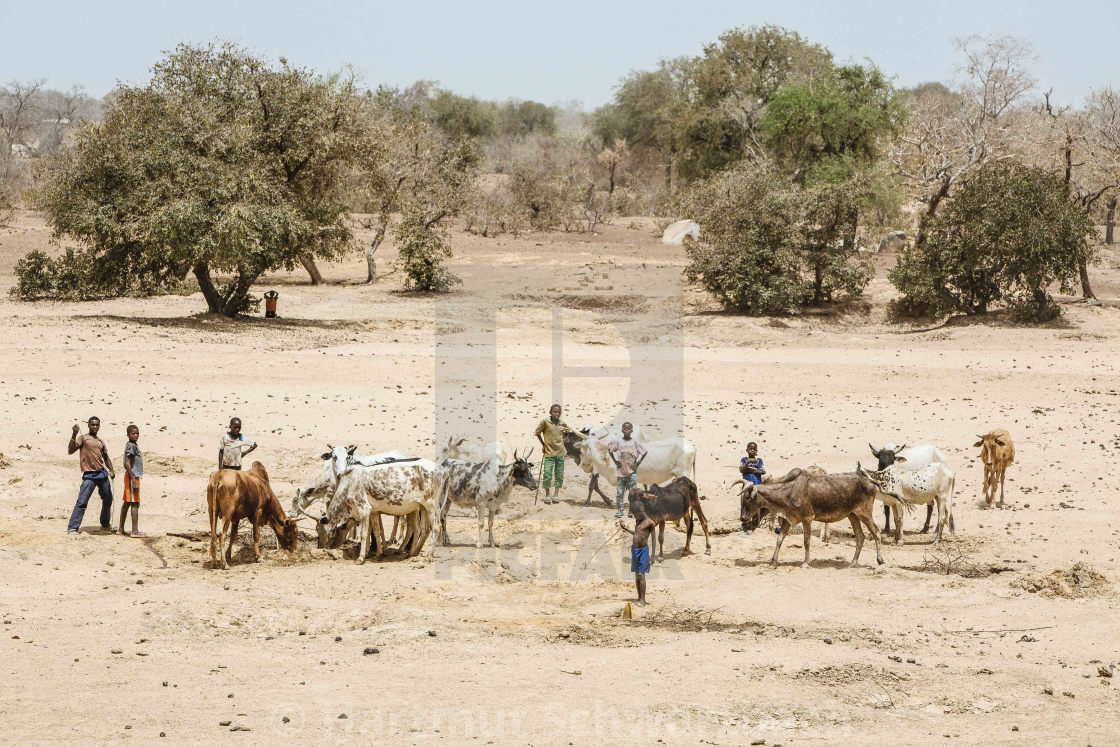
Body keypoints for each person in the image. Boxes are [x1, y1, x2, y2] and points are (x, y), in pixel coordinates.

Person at [66, 417, 115, 535]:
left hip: (102, 474)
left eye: (97, 425)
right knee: (82, 501)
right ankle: (72, 528)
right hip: (89, 475)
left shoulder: (100, 441)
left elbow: (106, 458)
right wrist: (74, 433)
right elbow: (71, 450)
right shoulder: (82, 438)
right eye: (93, 425)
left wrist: (112, 470)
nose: (95, 427)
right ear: (88, 425)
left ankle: (105, 524)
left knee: (108, 499)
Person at [618, 505, 656, 606]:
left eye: (635, 515)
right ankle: (639, 597)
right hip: (634, 550)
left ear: (640, 511)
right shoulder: (638, 521)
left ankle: (643, 600)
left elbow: (653, 539)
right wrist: (626, 529)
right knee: (636, 576)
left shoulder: (650, 523)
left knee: (641, 574)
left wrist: (652, 556)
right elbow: (637, 533)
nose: (634, 517)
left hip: (643, 550)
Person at [608, 422, 647, 519]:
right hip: (621, 472)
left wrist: (637, 463)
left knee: (633, 493)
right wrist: (616, 461)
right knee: (620, 493)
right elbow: (610, 451)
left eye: (629, 428)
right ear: (622, 430)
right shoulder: (618, 441)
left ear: (632, 430)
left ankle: (631, 511)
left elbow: (644, 452)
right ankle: (620, 511)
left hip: (631, 473)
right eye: (625, 428)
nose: (626, 430)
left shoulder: (634, 442)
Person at [534, 404, 571, 504]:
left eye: (559, 412)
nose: (557, 414)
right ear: (550, 412)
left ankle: (556, 495)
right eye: (555, 412)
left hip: (560, 453)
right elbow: (537, 433)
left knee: (559, 474)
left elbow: (567, 431)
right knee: (547, 474)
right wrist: (543, 444)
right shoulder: (545, 422)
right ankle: (547, 495)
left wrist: (565, 438)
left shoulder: (562, 423)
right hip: (549, 453)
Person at [118, 424, 145, 538]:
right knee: (135, 503)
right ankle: (134, 531)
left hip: (130, 477)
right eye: (133, 433)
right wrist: (134, 480)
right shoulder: (131, 446)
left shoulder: (132, 445)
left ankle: (121, 529)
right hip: (132, 477)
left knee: (127, 502)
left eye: (137, 433)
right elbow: (127, 463)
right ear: (128, 434)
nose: (136, 435)